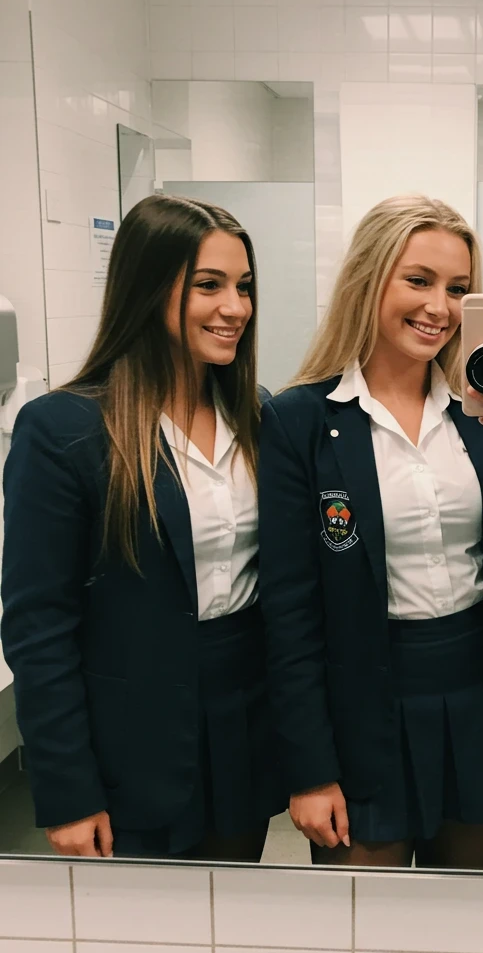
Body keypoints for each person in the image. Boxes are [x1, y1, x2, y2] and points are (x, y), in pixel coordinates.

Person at [258, 194, 483, 870]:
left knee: (462, 920)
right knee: (363, 934)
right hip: (362, 704)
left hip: (477, 695)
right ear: (368, 280)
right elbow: (288, 610)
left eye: (458, 288)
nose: (440, 306)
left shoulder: (482, 414)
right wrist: (310, 770)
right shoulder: (301, 422)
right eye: (419, 280)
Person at [1, 193, 283, 861]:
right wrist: (68, 789)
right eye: (208, 286)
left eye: (243, 286)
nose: (235, 308)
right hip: (131, 745)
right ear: (147, 287)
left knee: (231, 918)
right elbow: (38, 626)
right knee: (145, 943)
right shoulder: (65, 430)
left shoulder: (258, 416)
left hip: (242, 731)